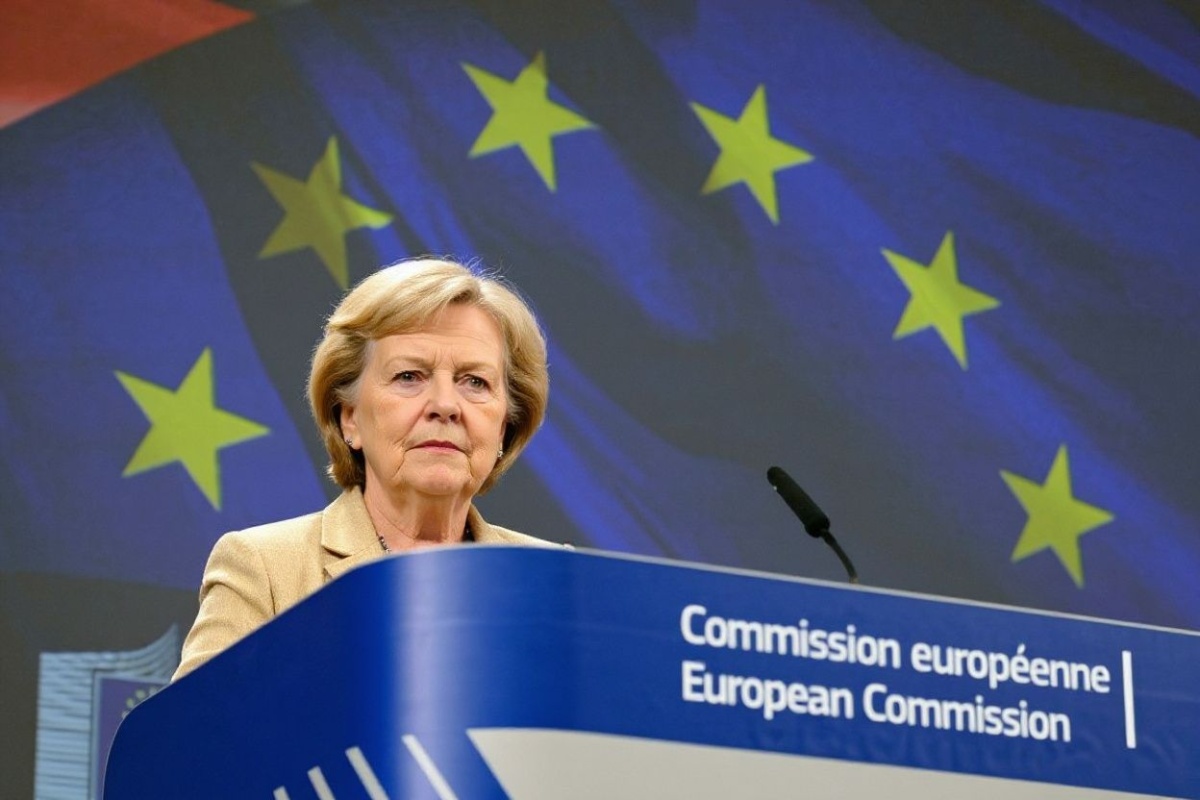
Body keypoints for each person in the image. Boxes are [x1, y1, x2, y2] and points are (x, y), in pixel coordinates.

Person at [173, 257, 560, 679]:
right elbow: (195, 723)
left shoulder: (555, 577)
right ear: (350, 419)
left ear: (504, 426)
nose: (445, 405)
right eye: (409, 376)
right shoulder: (263, 569)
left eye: (475, 382)